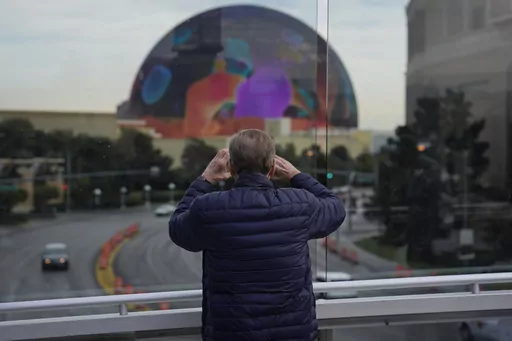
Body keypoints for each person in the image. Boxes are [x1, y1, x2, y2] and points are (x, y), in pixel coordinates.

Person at [169, 129, 345, 341]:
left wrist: (205, 179)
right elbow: (336, 208)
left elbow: (177, 228)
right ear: (271, 167)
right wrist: (296, 176)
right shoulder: (300, 204)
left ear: (231, 167)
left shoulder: (210, 208)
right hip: (292, 334)